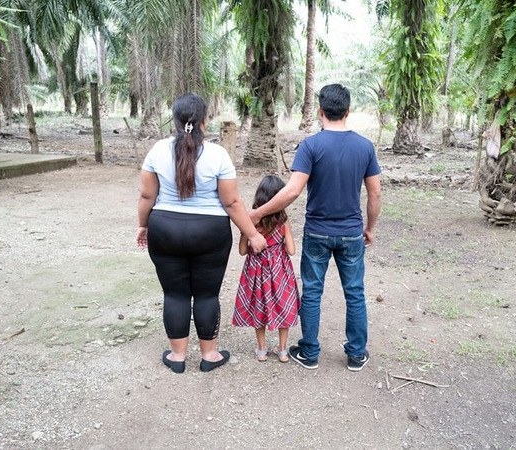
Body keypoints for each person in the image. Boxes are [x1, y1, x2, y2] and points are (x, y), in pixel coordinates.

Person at [250, 84, 381, 372]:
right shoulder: (365, 147)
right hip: (351, 233)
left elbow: (293, 191)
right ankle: (357, 354)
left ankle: (309, 352)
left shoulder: (311, 146)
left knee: (311, 291)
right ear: (348, 111)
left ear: (320, 111)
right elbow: (374, 194)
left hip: (318, 233)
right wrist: (369, 228)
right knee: (355, 292)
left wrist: (257, 213)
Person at [137, 93, 267, 374]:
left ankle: (177, 356)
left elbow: (147, 196)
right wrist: (253, 234)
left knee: (175, 294)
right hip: (210, 232)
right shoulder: (218, 155)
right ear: (204, 122)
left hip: (165, 228)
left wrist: (144, 225)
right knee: (207, 295)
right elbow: (231, 203)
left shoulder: (157, 151)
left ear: (175, 120)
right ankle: (209, 355)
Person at [232, 175, 300, 363]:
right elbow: (292, 250)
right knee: (282, 305)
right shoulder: (283, 219)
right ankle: (283, 350)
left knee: (258, 306)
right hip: (279, 271)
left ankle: (262, 350)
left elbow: (242, 250)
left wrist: (246, 233)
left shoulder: (250, 220)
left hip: (256, 270)